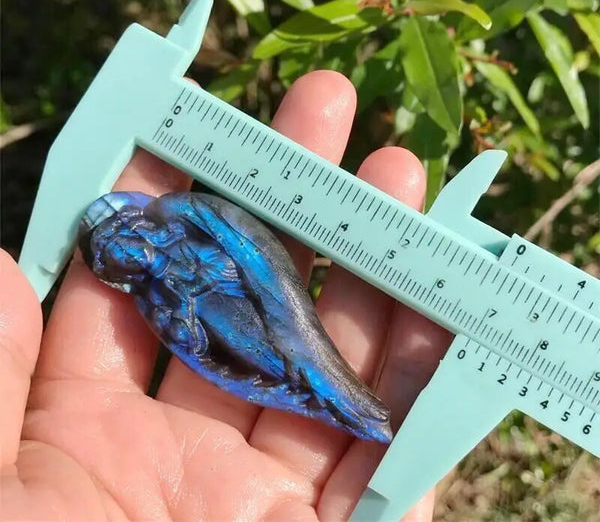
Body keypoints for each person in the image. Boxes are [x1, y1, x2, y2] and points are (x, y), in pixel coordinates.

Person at [1, 70, 451, 521]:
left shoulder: (184, 215)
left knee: (308, 365)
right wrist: (193, 320)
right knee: (297, 376)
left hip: (250, 302)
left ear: (138, 224)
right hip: (227, 330)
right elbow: (199, 352)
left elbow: (246, 249)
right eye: (114, 254)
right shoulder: (152, 300)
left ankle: (357, 410)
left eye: (121, 235)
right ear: (117, 271)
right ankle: (356, 413)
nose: (125, 248)